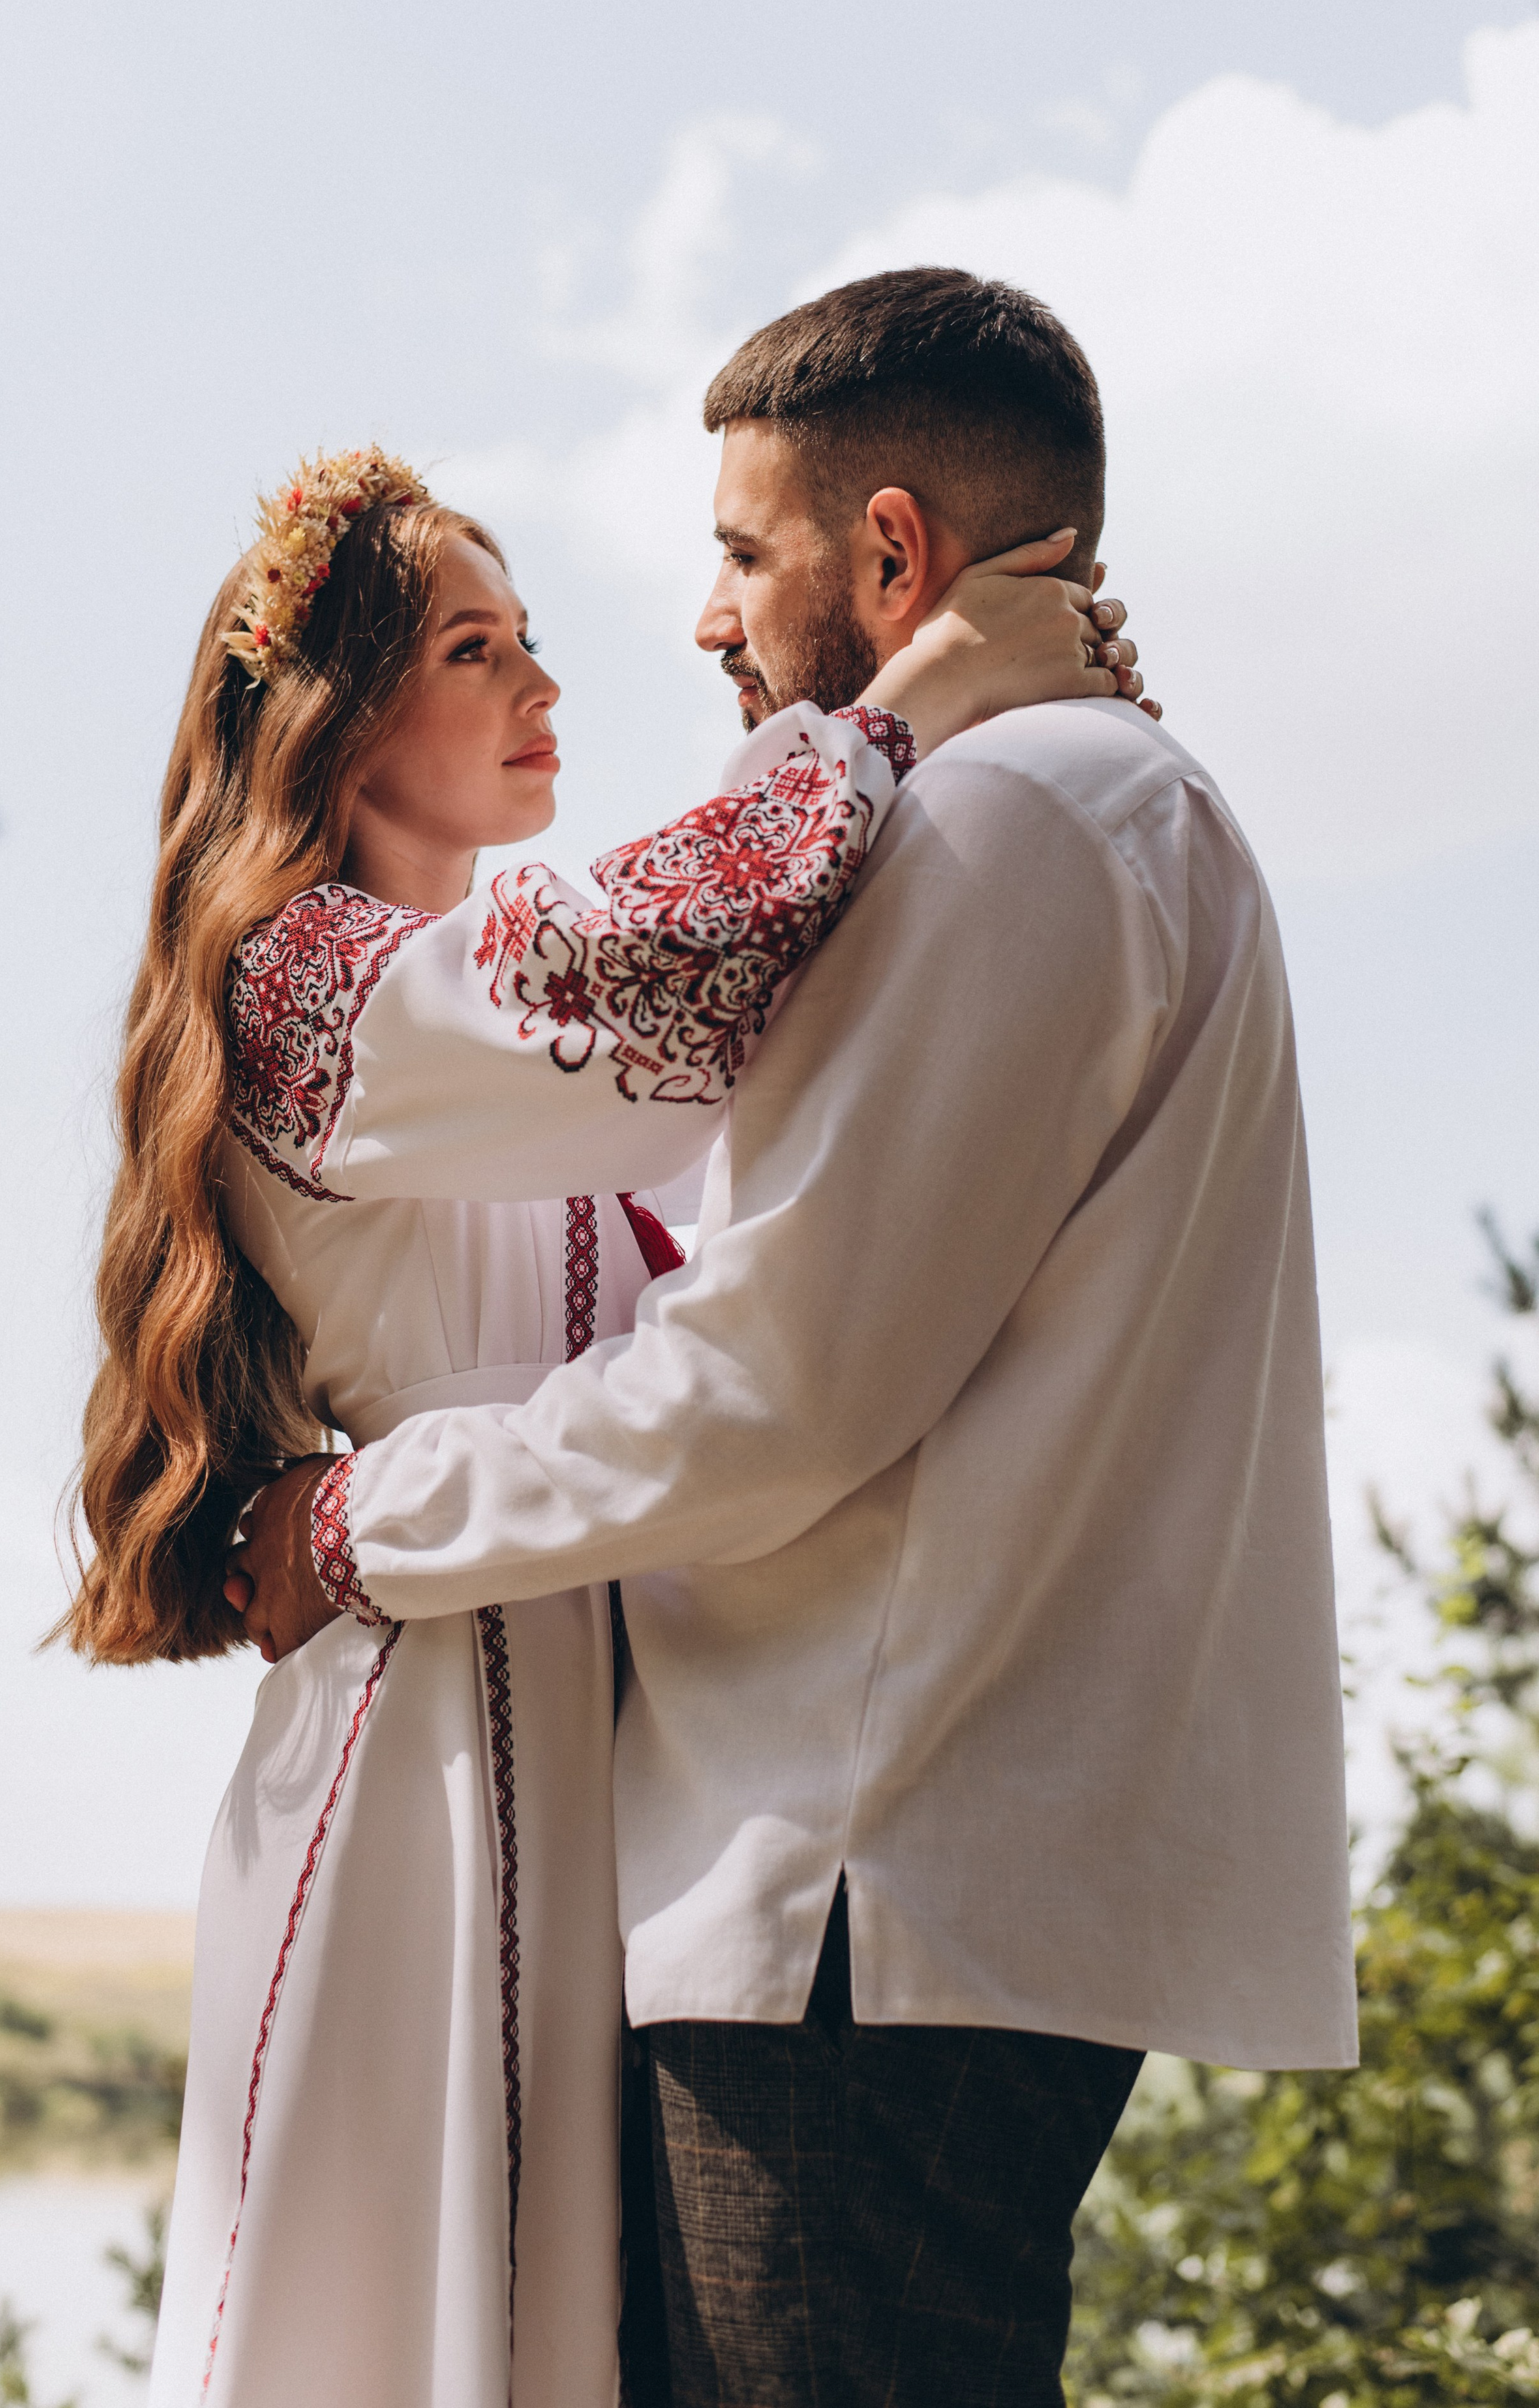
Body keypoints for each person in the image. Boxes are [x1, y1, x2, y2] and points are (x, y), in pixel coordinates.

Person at [232, 267, 1358, 2408]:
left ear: (895, 555)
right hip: (908, 1868)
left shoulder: (1010, 819)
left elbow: (767, 1390)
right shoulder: (1123, 803)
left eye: (744, 553)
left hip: (860, 1876)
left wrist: (360, 1523)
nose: (702, 618)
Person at [67, 435, 1142, 2408]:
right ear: (335, 721)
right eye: (474, 651)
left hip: (588, 1714)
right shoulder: (301, 985)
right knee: (399, 2320)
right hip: (426, 1740)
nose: (544, 684)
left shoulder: (493, 1042)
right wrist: (910, 704)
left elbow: (758, 1088)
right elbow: (669, 954)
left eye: (529, 636)